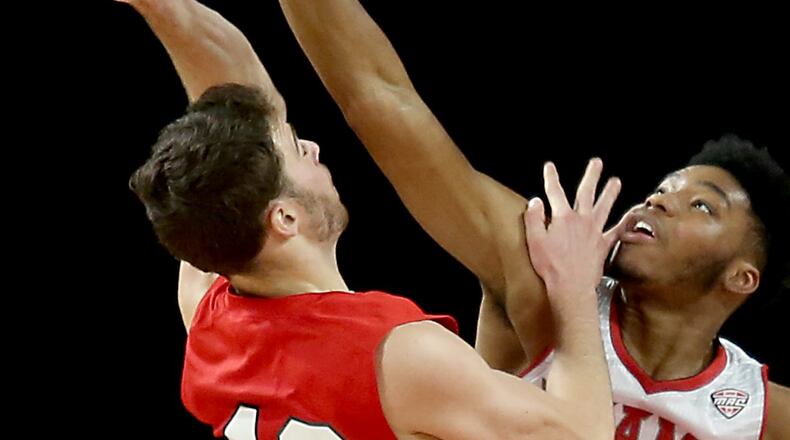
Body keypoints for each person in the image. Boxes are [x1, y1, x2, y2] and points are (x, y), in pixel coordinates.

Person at [277, 0, 790, 438]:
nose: (659, 201)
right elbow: (381, 101)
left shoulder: (759, 411)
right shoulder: (542, 280)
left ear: (741, 277)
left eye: (703, 205)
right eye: (662, 189)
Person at [118, 0, 622, 438]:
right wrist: (575, 291)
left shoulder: (208, 312)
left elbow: (240, 109)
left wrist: (166, 10)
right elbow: (583, 432)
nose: (313, 147)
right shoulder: (396, 354)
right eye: (297, 149)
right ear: (285, 218)